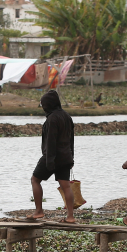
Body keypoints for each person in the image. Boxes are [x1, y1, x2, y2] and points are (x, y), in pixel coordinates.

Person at [29, 90, 76, 223]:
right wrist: (71, 157)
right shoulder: (67, 117)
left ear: (48, 105)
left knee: (35, 180)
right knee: (66, 185)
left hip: (52, 156)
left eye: (43, 105)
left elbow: (51, 141)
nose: (43, 107)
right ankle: (70, 216)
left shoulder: (52, 119)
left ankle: (39, 211)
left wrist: (50, 161)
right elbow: (71, 139)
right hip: (66, 156)